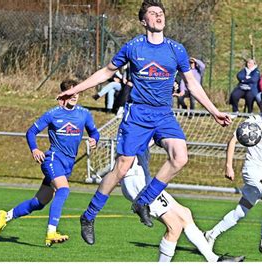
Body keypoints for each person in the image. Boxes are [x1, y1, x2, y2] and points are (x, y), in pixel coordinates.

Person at [57, 0, 231, 245]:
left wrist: (214, 111)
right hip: (137, 114)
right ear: (143, 21)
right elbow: (106, 72)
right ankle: (89, 215)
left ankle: (144, 200)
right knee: (122, 168)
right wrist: (76, 89)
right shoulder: (133, 47)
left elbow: (192, 84)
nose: (159, 16)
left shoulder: (176, 49)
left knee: (180, 157)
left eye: (161, 13)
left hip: (163, 114)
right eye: (153, 13)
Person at [0, 79, 100, 246]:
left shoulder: (84, 114)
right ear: (64, 94)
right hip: (53, 160)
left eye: (77, 92)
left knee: (38, 203)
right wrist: (35, 149)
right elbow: (31, 132)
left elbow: (94, 132)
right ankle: (51, 232)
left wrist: (94, 139)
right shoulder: (53, 114)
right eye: (71, 92)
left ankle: (5, 216)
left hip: (67, 164)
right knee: (63, 190)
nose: (75, 95)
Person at [204, 89, 262, 258]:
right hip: (252, 170)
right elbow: (232, 141)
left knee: (241, 211)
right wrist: (228, 166)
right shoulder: (252, 121)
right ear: (261, 104)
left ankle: (211, 234)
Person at [120, 145, 245, 262]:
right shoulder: (138, 125)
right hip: (136, 181)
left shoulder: (143, 125)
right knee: (174, 226)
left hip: (143, 180)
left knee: (185, 214)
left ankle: (214, 260)